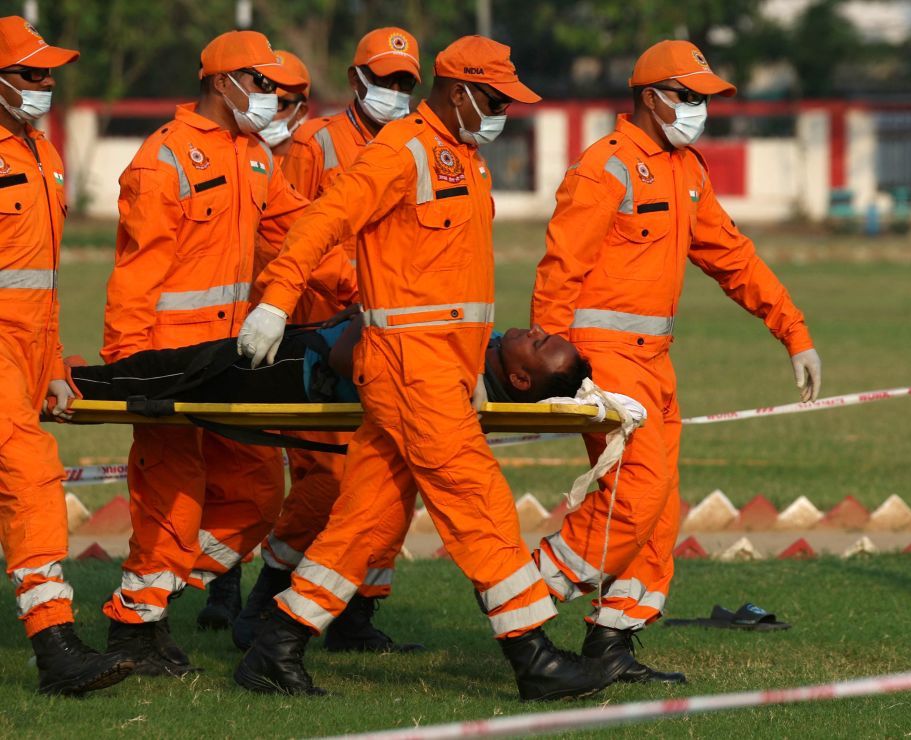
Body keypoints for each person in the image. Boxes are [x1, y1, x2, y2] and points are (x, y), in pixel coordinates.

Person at [234, 36, 614, 701]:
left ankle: (278, 642)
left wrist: (470, 366)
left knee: (368, 518)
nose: (502, 113)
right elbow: (327, 216)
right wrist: (277, 296)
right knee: (480, 503)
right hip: (408, 369)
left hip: (439, 370)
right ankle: (534, 658)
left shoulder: (466, 160)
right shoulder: (400, 150)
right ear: (459, 90)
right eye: (494, 100)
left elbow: (454, 287)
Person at [530, 40, 823, 684]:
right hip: (601, 360)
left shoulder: (685, 169)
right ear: (649, 96)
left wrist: (792, 331)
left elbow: (733, 258)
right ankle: (523, 599)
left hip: (654, 363)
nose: (699, 110)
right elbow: (561, 268)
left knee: (660, 508)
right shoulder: (604, 167)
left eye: (705, 99)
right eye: (688, 97)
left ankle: (611, 642)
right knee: (633, 497)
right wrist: (550, 361)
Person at [99, 29, 309, 676]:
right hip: (165, 362)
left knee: (257, 494)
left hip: (226, 361)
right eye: (263, 83)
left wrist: (360, 266)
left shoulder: (253, 157)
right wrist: (128, 367)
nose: (273, 97)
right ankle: (136, 626)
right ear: (224, 83)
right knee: (176, 496)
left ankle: (148, 602)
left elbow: (296, 229)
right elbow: (136, 275)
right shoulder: (164, 159)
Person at [233, 27, 425, 654]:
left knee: (389, 477)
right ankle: (267, 597)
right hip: (318, 333)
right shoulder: (314, 145)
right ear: (355, 79)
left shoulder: (416, 148)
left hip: (388, 335)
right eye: (386, 78)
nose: (395, 91)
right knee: (326, 481)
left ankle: (358, 610)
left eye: (405, 82)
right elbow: (283, 234)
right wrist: (343, 288)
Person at [0, 15, 135, 696]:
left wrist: (52, 367)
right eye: (30, 73)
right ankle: (56, 649)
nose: (45, 84)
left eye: (49, 72)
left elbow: (41, 282)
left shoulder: (44, 155)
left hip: (26, 350)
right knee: (30, 477)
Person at [198, 46, 315, 635]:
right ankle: (218, 589)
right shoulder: (225, 155)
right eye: (269, 91)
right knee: (234, 474)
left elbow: (312, 236)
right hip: (226, 336)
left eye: (289, 100)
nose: (277, 107)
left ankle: (235, 590)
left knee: (274, 480)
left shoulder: (288, 157)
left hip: (292, 334)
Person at [69, 320, 588, 407]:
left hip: (299, 368)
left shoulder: (461, 377)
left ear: (519, 378)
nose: (535, 330)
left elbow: (349, 359)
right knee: (177, 369)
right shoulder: (490, 347)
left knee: (176, 374)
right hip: (310, 344)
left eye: (541, 345)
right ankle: (77, 379)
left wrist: (373, 310)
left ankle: (74, 386)